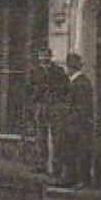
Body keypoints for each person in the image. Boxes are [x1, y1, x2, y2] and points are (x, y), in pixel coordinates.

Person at [26, 46, 69, 176]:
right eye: (41, 55)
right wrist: (35, 98)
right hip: (41, 106)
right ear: (39, 57)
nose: (43, 58)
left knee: (57, 138)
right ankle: (40, 165)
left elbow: (65, 88)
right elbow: (28, 89)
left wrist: (58, 99)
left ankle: (57, 168)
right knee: (40, 137)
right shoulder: (34, 71)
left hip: (54, 107)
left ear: (50, 56)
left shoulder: (58, 71)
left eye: (46, 55)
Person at [59, 52, 94, 189]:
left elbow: (82, 107)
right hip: (72, 124)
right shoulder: (76, 82)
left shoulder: (81, 83)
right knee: (70, 152)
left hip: (78, 125)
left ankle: (82, 181)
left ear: (70, 68)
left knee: (80, 153)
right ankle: (71, 178)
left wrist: (71, 119)